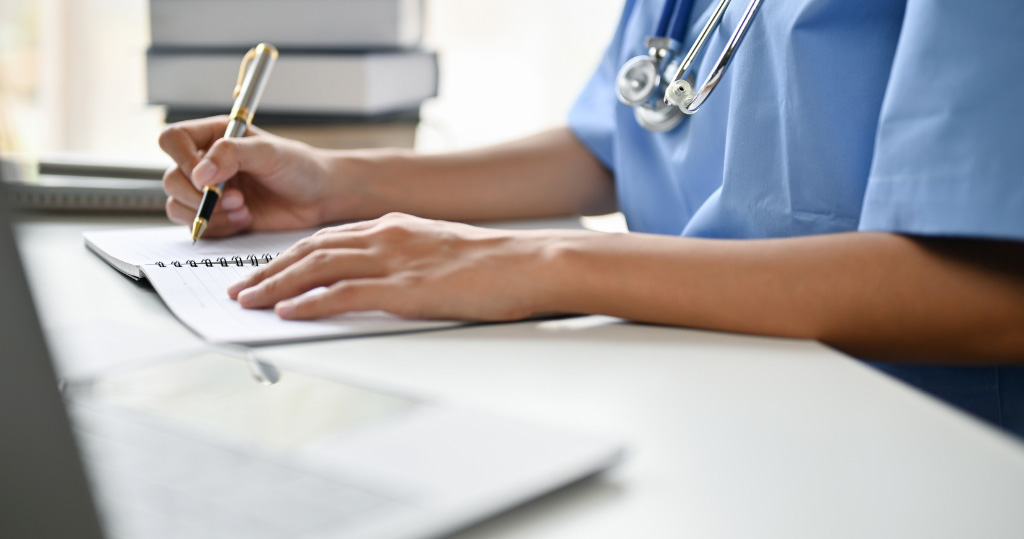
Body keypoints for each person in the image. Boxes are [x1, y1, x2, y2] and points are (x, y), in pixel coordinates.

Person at [159, 0, 1024, 434]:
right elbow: (626, 134)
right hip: (703, 403)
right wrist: (339, 182)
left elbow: (994, 295)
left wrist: (541, 266)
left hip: (908, 444)